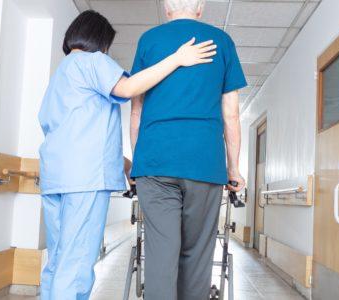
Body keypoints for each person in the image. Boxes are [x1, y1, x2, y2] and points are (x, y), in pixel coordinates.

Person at [37, 10, 217, 300]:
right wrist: (177, 58)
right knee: (77, 263)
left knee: (58, 261)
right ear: (99, 40)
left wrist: (125, 164)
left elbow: (74, 133)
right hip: (85, 181)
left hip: (56, 177)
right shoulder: (92, 61)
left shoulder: (61, 74)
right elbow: (130, 88)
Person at [129, 0, 247, 299]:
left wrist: (138, 161)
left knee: (160, 255)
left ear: (166, 8)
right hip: (204, 163)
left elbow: (136, 110)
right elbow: (230, 114)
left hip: (155, 163)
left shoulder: (149, 40)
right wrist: (233, 169)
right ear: (201, 7)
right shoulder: (221, 41)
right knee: (197, 255)